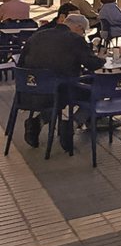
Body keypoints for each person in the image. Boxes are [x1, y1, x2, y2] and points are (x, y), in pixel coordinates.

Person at [17, 14, 106, 150]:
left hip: (28, 91)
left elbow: (21, 63)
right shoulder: (75, 39)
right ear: (78, 27)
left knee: (57, 89)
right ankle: (72, 124)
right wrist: (102, 58)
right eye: (83, 31)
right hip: (60, 91)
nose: (83, 34)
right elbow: (92, 64)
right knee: (96, 90)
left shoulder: (37, 35)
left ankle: (38, 122)